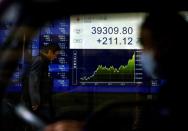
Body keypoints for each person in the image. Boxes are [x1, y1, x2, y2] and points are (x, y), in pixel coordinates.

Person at [138, 11, 188, 130]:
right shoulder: (170, 89)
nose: (143, 53)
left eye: (147, 45)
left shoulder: (174, 94)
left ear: (167, 44)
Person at [27, 43, 60, 122]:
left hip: (41, 101)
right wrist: (35, 101)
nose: (56, 57)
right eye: (55, 54)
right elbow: (33, 81)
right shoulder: (39, 61)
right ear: (49, 52)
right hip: (37, 103)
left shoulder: (42, 60)